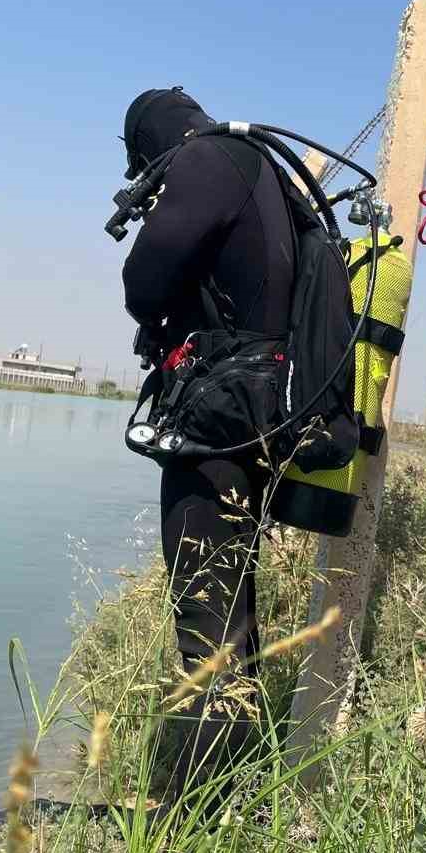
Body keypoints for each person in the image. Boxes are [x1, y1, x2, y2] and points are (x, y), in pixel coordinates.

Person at [121, 85, 295, 795]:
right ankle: (238, 799)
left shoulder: (207, 159)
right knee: (232, 618)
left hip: (215, 422)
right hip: (259, 416)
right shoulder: (263, 168)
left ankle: (187, 824)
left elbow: (144, 281)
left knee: (207, 629)